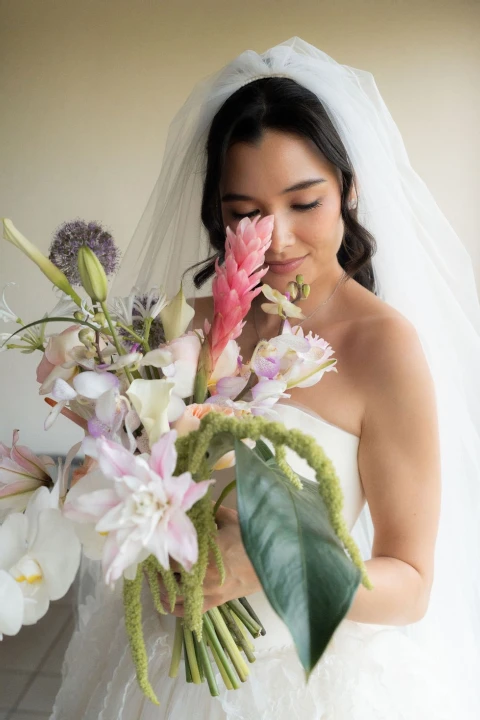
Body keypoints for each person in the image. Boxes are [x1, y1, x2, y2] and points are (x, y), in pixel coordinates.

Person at [51, 37, 480, 719]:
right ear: (219, 215)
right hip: (164, 666)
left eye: (304, 203)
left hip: (304, 683)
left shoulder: (383, 348)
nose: (274, 239)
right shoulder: (178, 330)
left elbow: (412, 582)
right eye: (245, 211)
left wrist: (273, 574)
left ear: (350, 191)